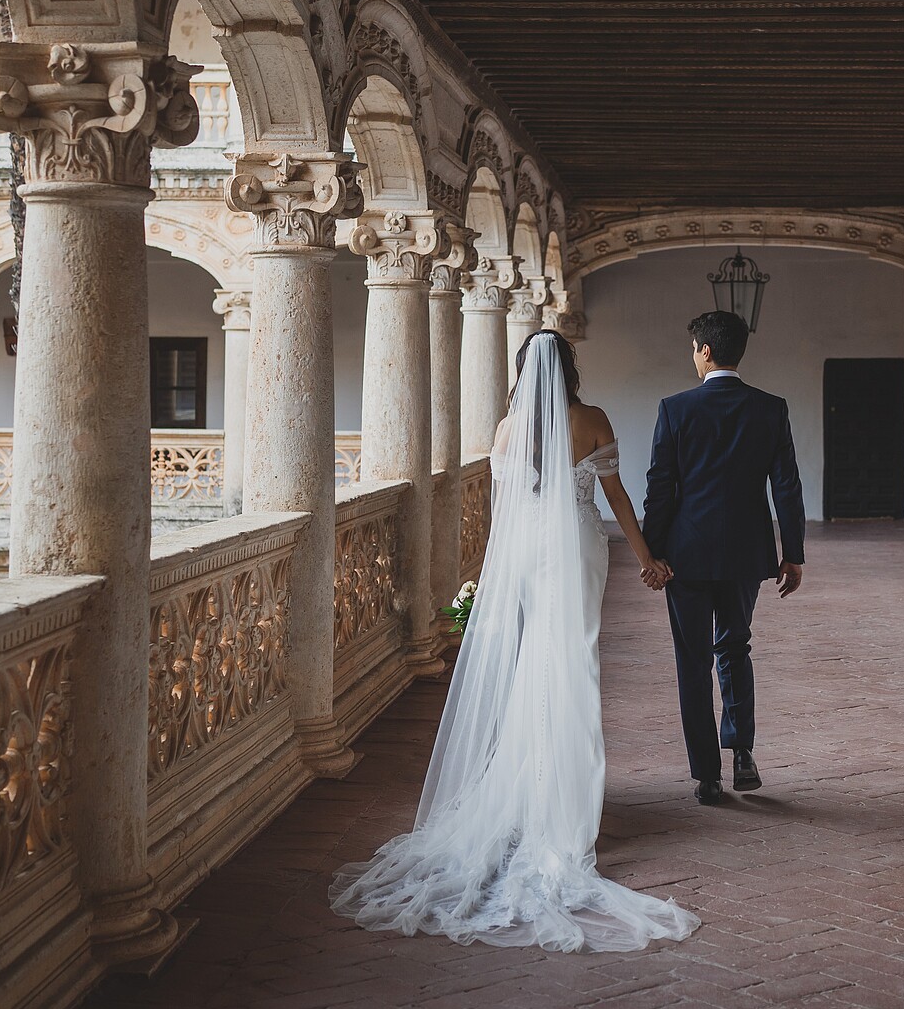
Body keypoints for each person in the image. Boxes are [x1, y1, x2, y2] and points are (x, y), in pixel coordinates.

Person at [328, 331, 697, 952]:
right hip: (575, 551)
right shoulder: (592, 420)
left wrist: (494, 579)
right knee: (573, 661)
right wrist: (647, 558)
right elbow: (615, 497)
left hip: (524, 556)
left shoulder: (504, 431)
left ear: (523, 371)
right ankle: (565, 809)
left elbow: (503, 518)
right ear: (569, 368)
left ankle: (527, 795)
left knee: (533, 664)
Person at [642, 309, 806, 807]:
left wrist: (653, 552)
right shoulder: (770, 408)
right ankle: (743, 754)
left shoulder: (675, 409)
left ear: (706, 351)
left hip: (686, 556)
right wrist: (792, 553)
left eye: (694, 348)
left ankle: (707, 775)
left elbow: (661, 488)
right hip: (744, 553)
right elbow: (787, 486)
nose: (692, 356)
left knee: (692, 662)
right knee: (735, 648)